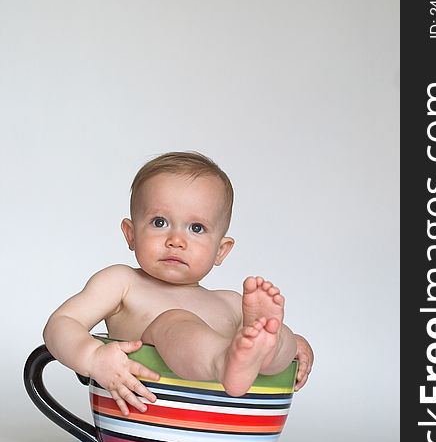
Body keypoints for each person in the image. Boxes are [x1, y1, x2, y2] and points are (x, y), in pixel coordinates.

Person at [43, 152, 314, 416]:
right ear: (131, 234)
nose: (176, 240)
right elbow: (61, 323)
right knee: (174, 321)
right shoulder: (122, 282)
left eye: (196, 228)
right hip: (148, 421)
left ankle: (270, 347)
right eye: (159, 222)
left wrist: (295, 347)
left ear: (221, 250)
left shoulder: (229, 303)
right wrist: (92, 358)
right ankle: (225, 361)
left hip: (221, 428)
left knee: (268, 333)